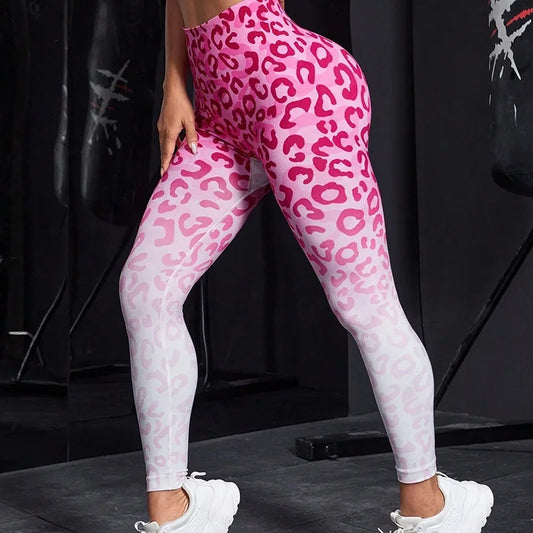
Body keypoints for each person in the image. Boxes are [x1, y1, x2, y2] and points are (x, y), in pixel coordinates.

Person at [118, 0, 494, 531]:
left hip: (296, 95)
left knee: (363, 303)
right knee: (145, 288)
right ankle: (172, 511)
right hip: (218, 113)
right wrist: (173, 84)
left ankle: (428, 505)